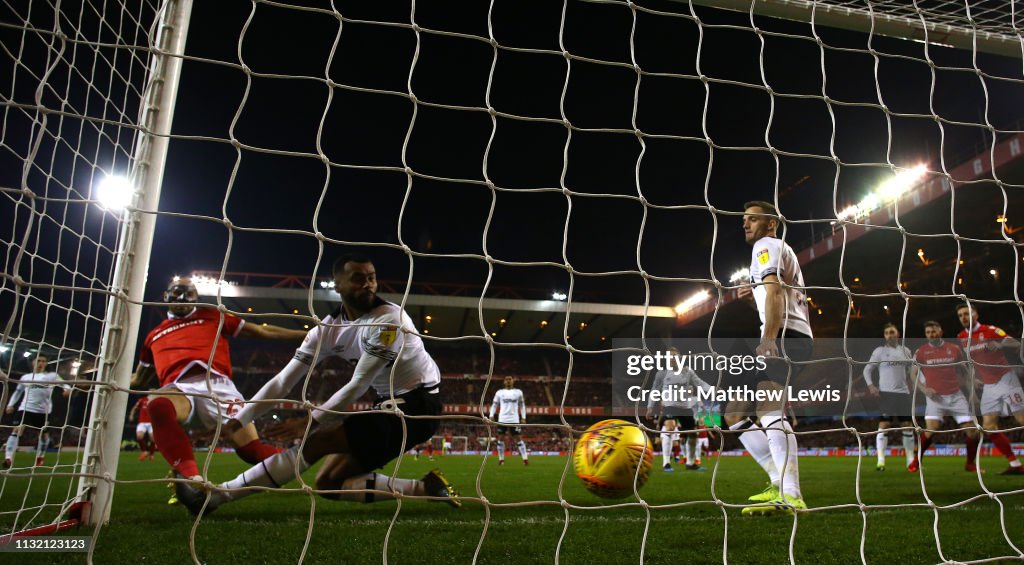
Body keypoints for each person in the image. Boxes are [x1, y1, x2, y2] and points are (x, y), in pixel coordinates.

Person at [174, 255, 459, 514]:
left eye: (371, 277)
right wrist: (239, 419)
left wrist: (310, 420)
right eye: (358, 278)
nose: (368, 284)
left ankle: (213, 498)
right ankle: (427, 488)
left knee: (317, 440)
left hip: (418, 406)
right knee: (328, 484)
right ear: (337, 285)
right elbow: (284, 380)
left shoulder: (389, 321)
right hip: (388, 404)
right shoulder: (327, 329)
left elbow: (358, 384)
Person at [130, 276, 308, 482]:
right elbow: (138, 380)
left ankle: (302, 459)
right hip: (179, 390)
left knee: (252, 452)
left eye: (189, 293)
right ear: (166, 296)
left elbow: (261, 330)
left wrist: (307, 335)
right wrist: (98, 378)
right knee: (158, 405)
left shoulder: (213, 316)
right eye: (178, 291)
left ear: (196, 297)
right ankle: (192, 479)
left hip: (219, 387)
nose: (183, 297)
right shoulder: (153, 335)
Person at [728, 200, 813, 515]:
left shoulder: (767, 245)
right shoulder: (770, 250)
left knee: (768, 409)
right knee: (734, 413)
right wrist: (755, 303)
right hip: (786, 332)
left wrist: (769, 338)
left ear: (771, 223)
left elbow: (776, 291)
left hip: (787, 335)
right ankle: (777, 483)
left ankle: (791, 495)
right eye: (744, 220)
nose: (745, 224)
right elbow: (774, 296)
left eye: (752, 219)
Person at [956, 304, 1024, 475]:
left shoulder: (991, 331)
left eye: (967, 313)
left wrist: (1001, 345)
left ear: (976, 315)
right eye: (960, 315)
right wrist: (975, 378)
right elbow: (971, 363)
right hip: (988, 385)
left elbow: (1016, 344)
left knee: (1021, 419)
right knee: (988, 427)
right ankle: (1015, 464)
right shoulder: (962, 337)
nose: (964, 317)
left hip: (1006, 379)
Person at [909, 321, 979, 472]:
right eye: (928, 332)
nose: (931, 335)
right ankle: (916, 462)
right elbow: (913, 374)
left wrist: (972, 393)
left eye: (933, 331)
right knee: (931, 430)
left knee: (973, 431)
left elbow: (965, 373)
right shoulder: (921, 352)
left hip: (955, 396)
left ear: (940, 331)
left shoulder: (954, 349)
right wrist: (924, 388)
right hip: (935, 399)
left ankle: (970, 464)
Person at [645, 347, 712, 471]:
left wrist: (712, 389)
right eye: (670, 356)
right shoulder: (661, 374)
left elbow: (699, 383)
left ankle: (691, 463)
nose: (672, 359)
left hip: (685, 407)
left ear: (679, 357)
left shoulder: (687, 371)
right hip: (669, 405)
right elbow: (654, 390)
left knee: (692, 434)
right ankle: (666, 463)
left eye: (675, 356)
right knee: (670, 428)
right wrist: (650, 406)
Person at [863, 323, 918, 472]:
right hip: (886, 393)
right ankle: (881, 462)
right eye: (886, 333)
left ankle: (910, 462)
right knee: (884, 425)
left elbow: (910, 370)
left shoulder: (905, 351)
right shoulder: (880, 351)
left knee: (907, 425)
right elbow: (867, 369)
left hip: (903, 393)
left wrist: (912, 380)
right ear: (884, 336)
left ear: (897, 334)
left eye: (892, 332)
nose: (889, 335)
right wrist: (871, 386)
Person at [4, 354, 71, 468]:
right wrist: (10, 405)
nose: (41, 363)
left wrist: (67, 389)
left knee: (43, 436)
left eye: (43, 361)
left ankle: (40, 456)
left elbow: (66, 384)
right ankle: (8, 458)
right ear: (33, 362)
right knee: (16, 430)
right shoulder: (25, 377)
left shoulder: (52, 376)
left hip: (43, 412)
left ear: (46, 364)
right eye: (38, 361)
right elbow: (18, 392)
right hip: (25, 408)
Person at [490, 376, 528, 466]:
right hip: (502, 419)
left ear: (513, 381)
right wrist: (491, 415)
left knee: (518, 438)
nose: (508, 381)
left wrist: (523, 417)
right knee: (500, 438)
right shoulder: (500, 392)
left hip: (514, 419)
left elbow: (522, 405)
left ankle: (525, 459)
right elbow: (494, 405)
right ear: (504, 382)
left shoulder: (518, 392)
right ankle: (501, 459)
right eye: (506, 379)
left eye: (510, 379)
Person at [129, 395, 157, 461]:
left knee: (153, 439)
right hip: (142, 422)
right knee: (139, 437)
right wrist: (131, 414)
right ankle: (144, 451)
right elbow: (135, 408)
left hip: (151, 422)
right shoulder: (142, 399)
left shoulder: (155, 399)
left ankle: (152, 455)